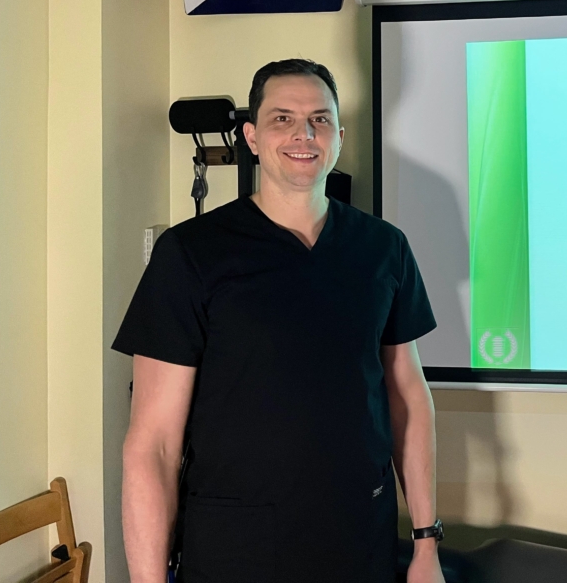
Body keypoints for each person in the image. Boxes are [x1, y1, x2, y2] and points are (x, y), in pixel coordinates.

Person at [115, 59, 445, 583]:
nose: (303, 134)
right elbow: (152, 443)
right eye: (282, 118)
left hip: (359, 539)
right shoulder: (191, 254)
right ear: (250, 135)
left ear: (339, 135)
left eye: (318, 119)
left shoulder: (383, 248)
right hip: (234, 548)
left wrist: (426, 542)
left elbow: (407, 395)